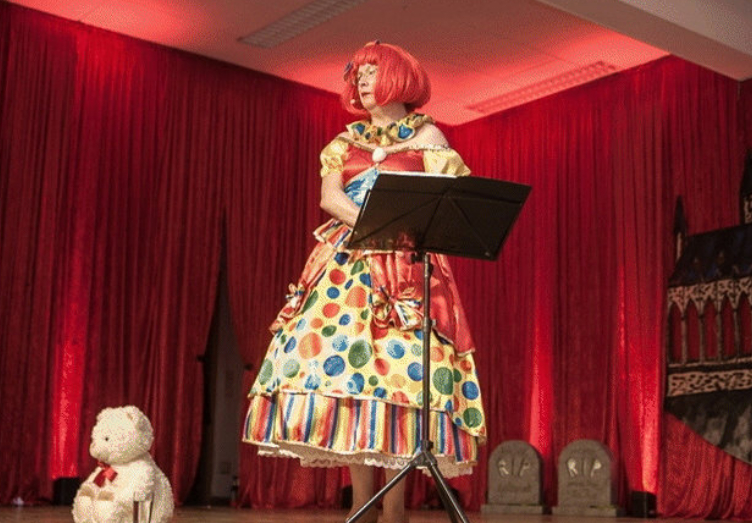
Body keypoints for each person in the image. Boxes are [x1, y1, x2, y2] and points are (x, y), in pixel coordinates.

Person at [243, 42, 486, 523]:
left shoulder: (429, 137)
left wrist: (399, 230)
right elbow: (330, 197)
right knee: (348, 370)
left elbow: (446, 198)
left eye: (373, 71)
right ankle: (362, 501)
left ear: (399, 77)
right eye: (358, 74)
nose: (363, 81)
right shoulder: (344, 142)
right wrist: (374, 225)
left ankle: (394, 507)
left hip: (406, 265)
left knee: (401, 373)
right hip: (348, 262)